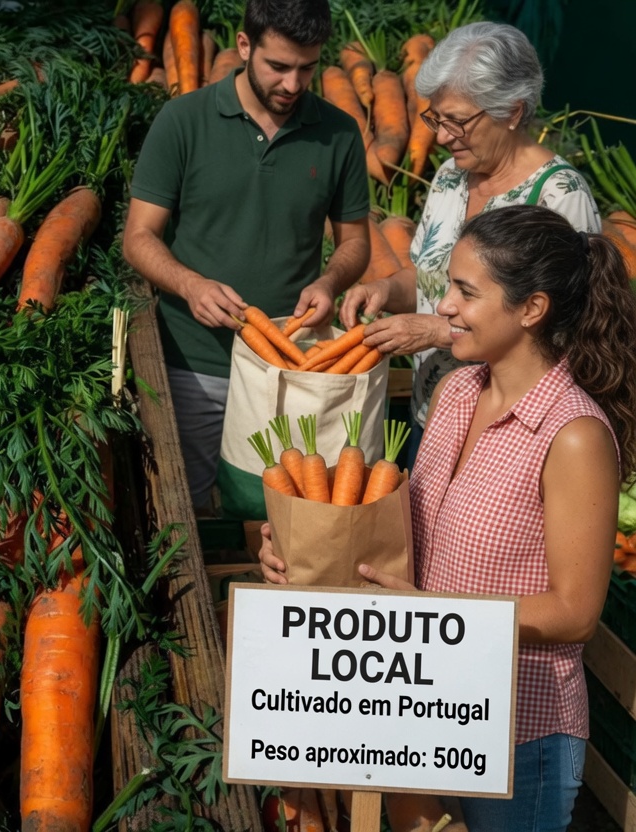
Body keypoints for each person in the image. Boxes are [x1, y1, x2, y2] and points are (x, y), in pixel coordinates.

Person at [263, 205, 636, 831]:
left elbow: (575, 613)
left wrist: (438, 621)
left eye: (466, 292)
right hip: (429, 713)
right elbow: (405, 529)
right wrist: (307, 546)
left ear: (531, 309)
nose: (443, 308)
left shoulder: (572, 436)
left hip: (520, 733)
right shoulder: (461, 392)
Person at [122, 0, 370, 513]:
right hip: (193, 361)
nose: (293, 84)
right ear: (243, 47)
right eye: (277, 67)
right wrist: (191, 285)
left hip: (288, 367)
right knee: (186, 510)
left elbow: (355, 243)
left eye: (307, 68)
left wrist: (329, 282)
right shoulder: (183, 120)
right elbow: (139, 237)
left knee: (277, 513)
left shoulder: (340, 133)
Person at [340, 22, 601, 465]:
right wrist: (386, 290)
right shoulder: (448, 178)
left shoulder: (559, 198)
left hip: (508, 433)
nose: (442, 136)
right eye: (435, 118)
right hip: (434, 414)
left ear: (513, 111)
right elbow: (429, 278)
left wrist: (437, 332)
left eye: (457, 121)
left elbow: (569, 330)